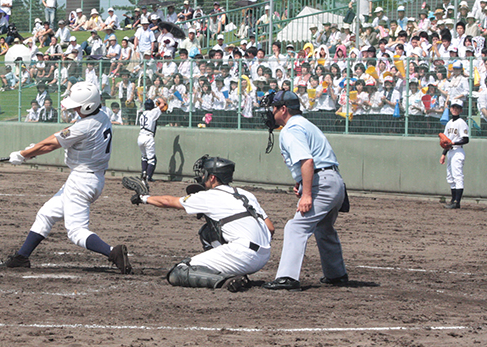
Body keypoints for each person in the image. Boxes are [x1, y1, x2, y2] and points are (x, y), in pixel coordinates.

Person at [4, 82, 131, 274]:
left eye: (78, 106)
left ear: (88, 105)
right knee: (46, 213)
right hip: (89, 179)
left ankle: (112, 252)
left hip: (81, 181)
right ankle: (22, 257)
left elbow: (51, 144)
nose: (74, 109)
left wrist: (23, 154)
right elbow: (62, 138)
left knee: (76, 231)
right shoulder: (102, 116)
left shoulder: (86, 125)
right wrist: (33, 150)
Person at [126, 155, 274, 292]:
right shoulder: (246, 194)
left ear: (213, 177)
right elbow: (270, 228)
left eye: (205, 173)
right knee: (207, 231)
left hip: (243, 255)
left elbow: (168, 202)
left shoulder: (209, 196)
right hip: (264, 255)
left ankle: (225, 281)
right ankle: (232, 271)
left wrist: (144, 198)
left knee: (179, 271)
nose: (202, 176)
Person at [261, 90, 349, 290]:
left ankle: (288, 278)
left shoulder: (291, 128)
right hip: (334, 181)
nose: (271, 113)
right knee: (323, 228)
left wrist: (307, 193)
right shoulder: (305, 124)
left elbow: (307, 160)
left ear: (283, 110)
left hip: (322, 182)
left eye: (273, 108)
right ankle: (336, 275)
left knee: (296, 227)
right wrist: (302, 182)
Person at [440, 101, 469, 209]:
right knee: (450, 177)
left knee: (457, 176)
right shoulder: (449, 123)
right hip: (450, 151)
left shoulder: (461, 122)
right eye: (453, 107)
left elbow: (466, 139)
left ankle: (457, 202)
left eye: (457, 108)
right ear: (450, 109)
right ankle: (452, 200)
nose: (455, 109)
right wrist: (443, 154)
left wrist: (454, 143)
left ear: (461, 110)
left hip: (458, 151)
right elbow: (446, 141)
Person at [137, 98, 165, 182]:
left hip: (140, 136)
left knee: (144, 157)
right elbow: (162, 104)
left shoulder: (142, 114)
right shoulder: (153, 112)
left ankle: (144, 173)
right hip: (148, 136)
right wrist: (159, 98)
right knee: (152, 159)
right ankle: (148, 177)